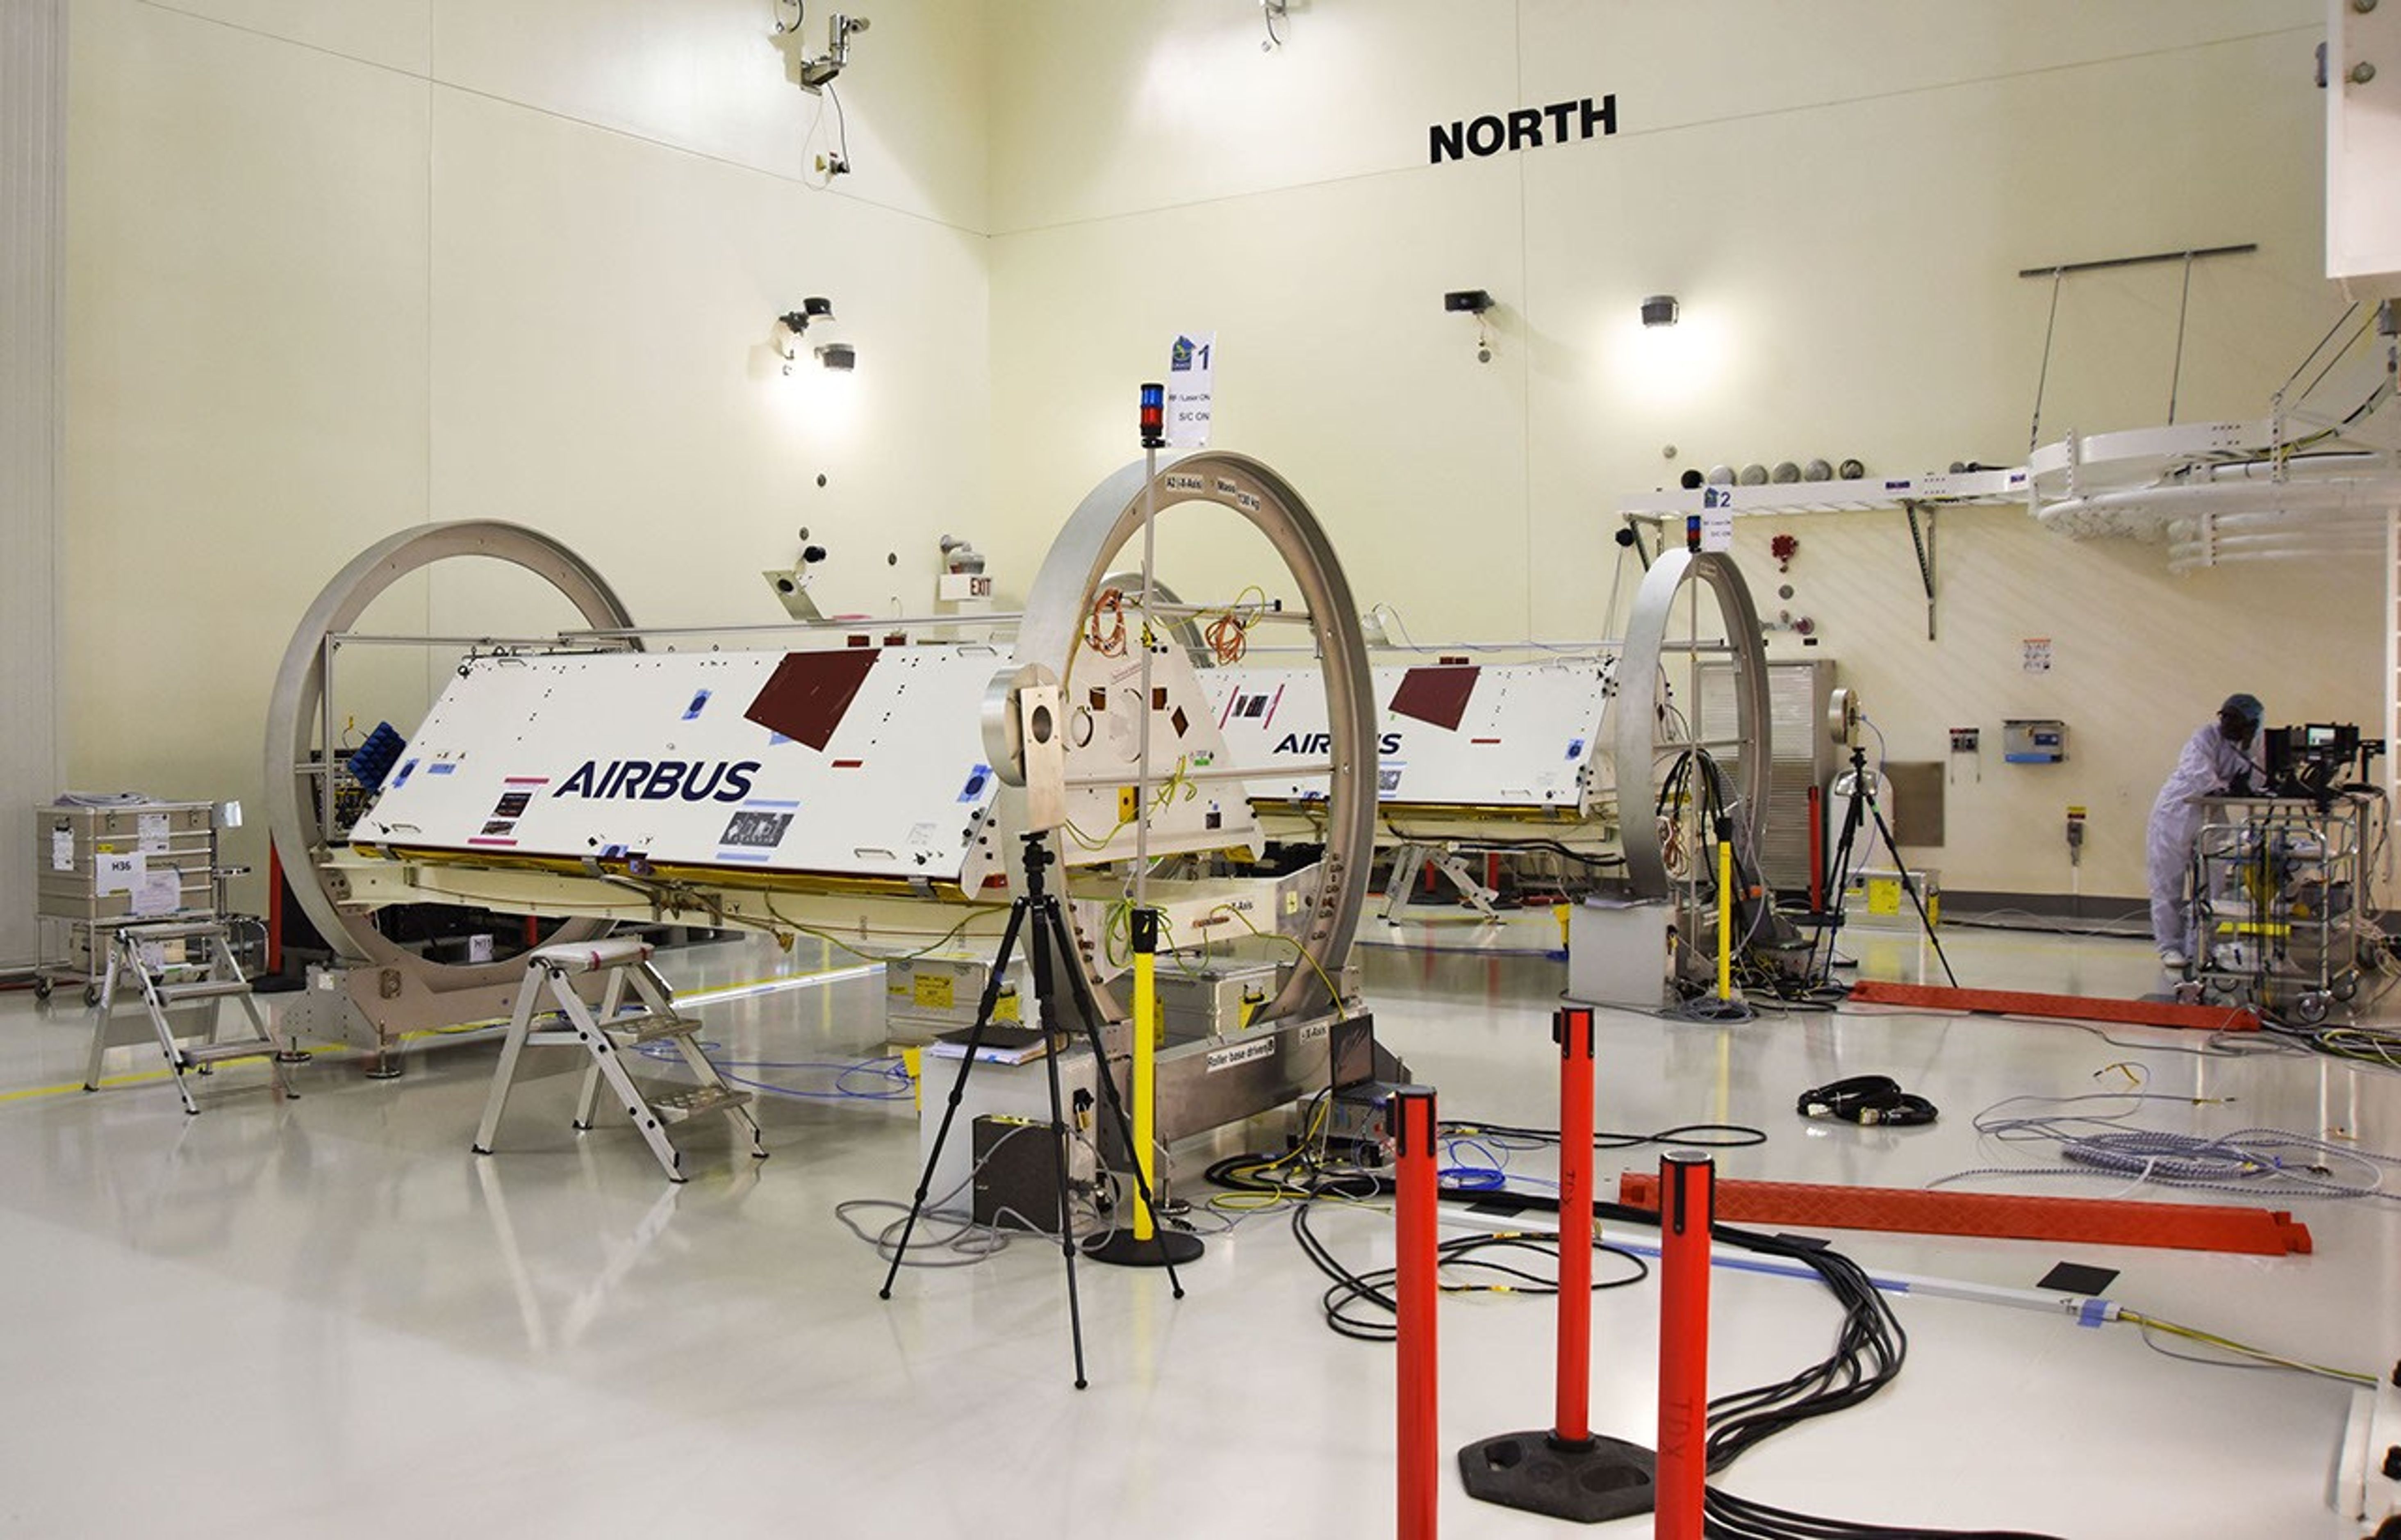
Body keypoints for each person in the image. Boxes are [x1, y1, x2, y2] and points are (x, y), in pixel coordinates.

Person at [2146, 693, 2265, 967]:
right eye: (2226, 718)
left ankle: (2199, 945)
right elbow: (2199, 775)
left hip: (2213, 814)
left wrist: (2248, 754)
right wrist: (2228, 787)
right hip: (2178, 811)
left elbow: (2259, 779)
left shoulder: (2255, 743)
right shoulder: (2205, 737)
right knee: (2168, 882)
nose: (2229, 726)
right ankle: (2170, 946)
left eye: (2237, 721)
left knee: (2212, 884)